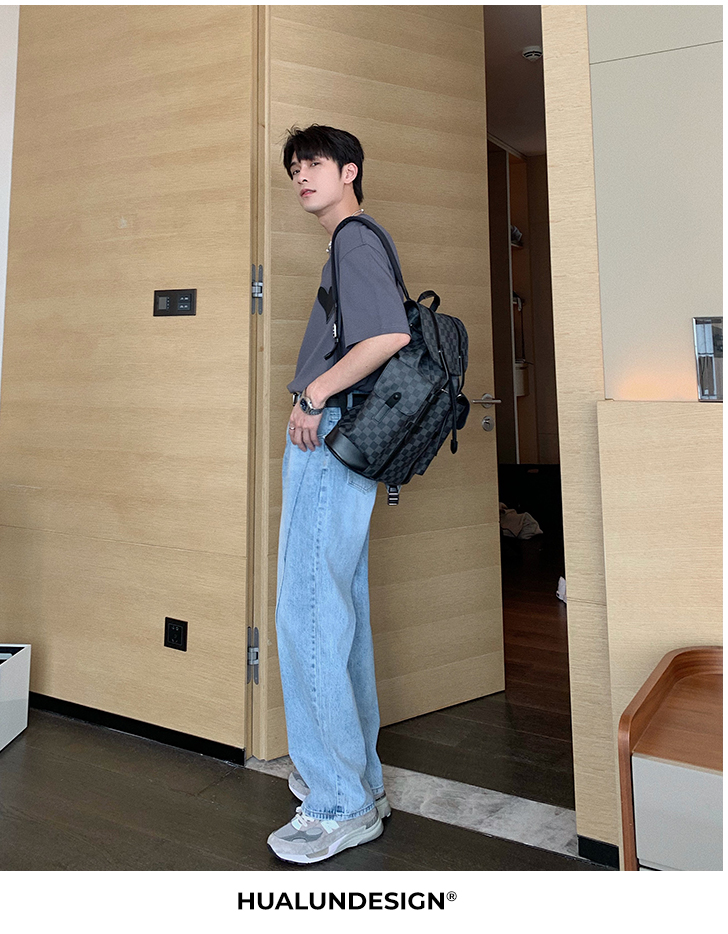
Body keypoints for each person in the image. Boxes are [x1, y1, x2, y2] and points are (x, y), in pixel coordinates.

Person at [267, 125, 411, 865]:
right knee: (335, 613)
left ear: (350, 170)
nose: (302, 176)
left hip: (330, 437)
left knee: (310, 615)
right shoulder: (353, 241)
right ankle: (361, 787)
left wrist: (314, 394)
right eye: (295, 168)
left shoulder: (354, 238)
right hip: (345, 442)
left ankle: (337, 804)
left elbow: (386, 335)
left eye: (315, 163)